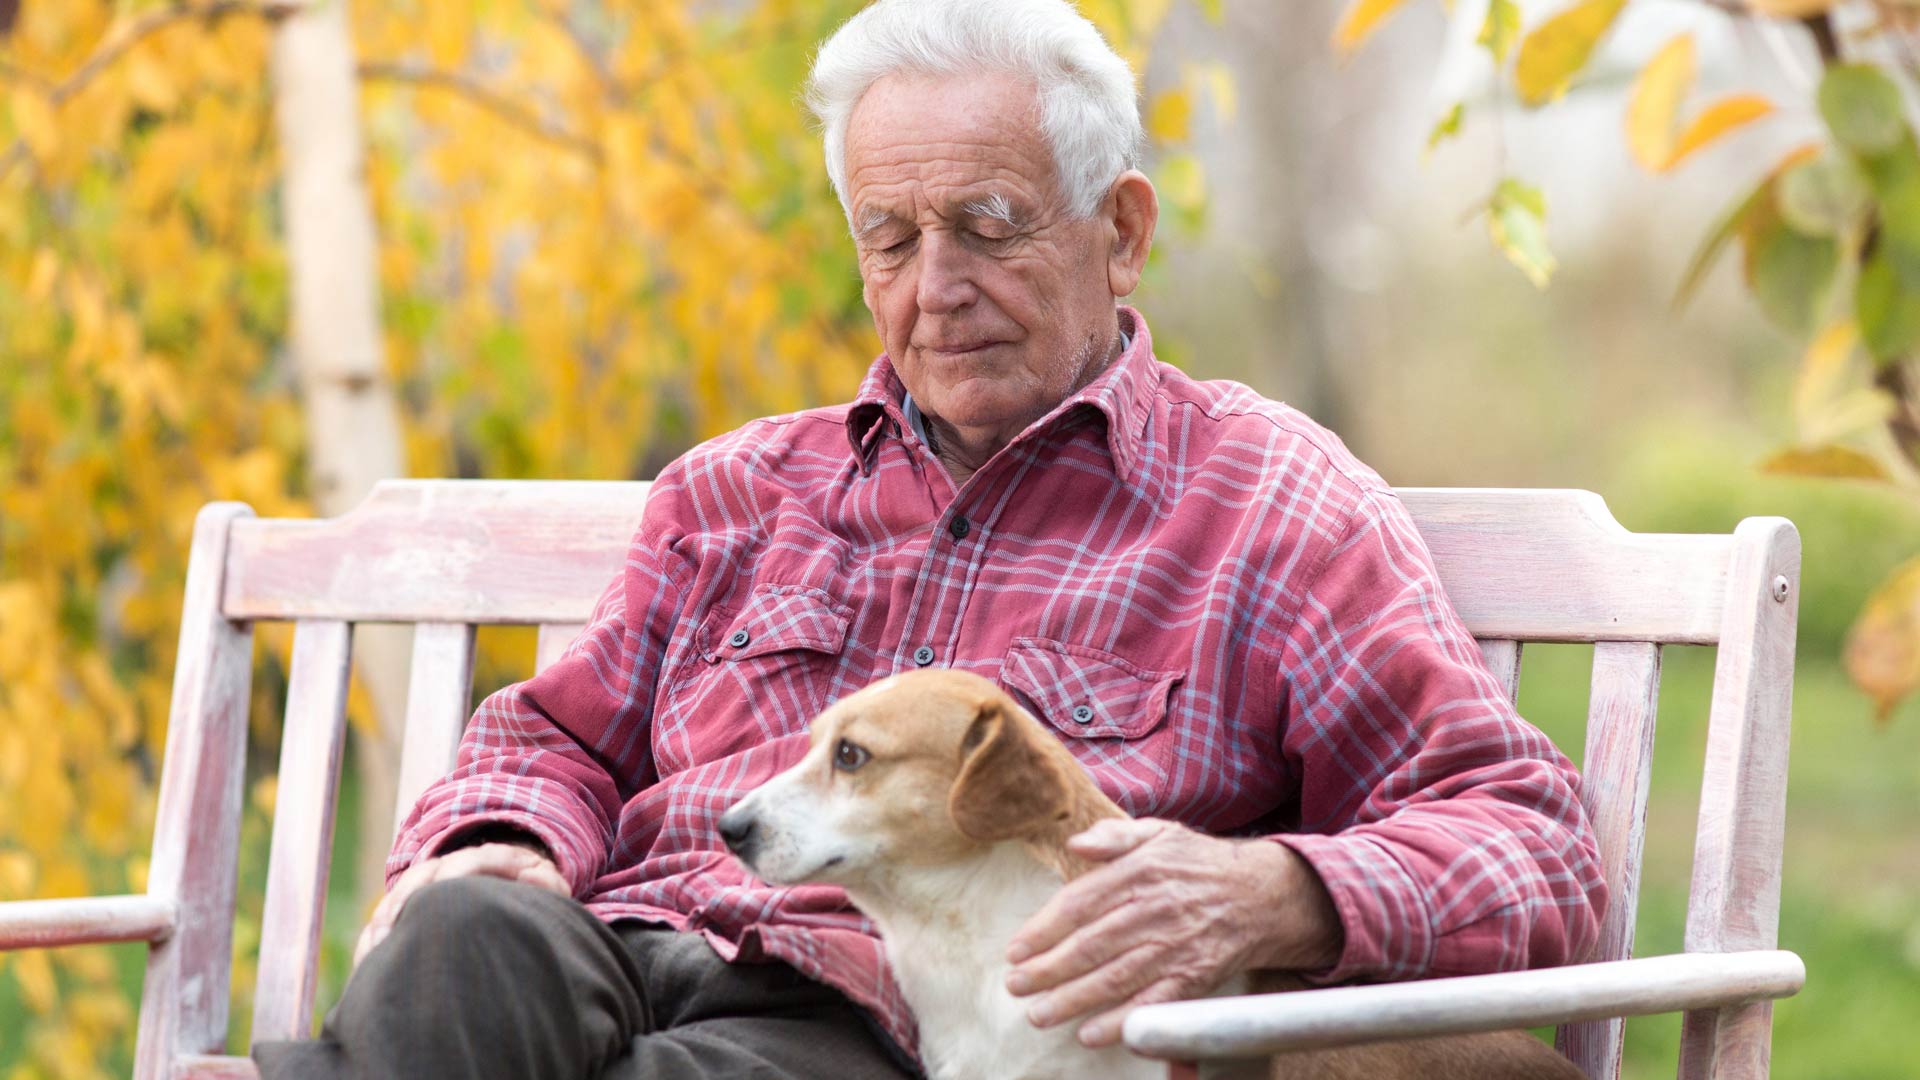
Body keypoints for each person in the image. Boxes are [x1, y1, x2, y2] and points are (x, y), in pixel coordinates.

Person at [255, 1, 1606, 1076]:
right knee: (461, 935)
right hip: (617, 948)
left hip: (875, 1016)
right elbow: (556, 737)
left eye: (986, 226)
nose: (934, 289)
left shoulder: (1267, 509)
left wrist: (1273, 893)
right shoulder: (736, 490)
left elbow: (1530, 843)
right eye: (888, 239)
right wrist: (510, 837)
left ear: (1122, 231)